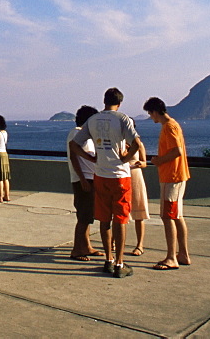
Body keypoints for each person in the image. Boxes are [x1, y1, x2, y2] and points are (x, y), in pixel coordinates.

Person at [70, 87, 141, 278]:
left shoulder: (93, 120)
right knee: (121, 218)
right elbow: (137, 144)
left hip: (100, 175)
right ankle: (119, 262)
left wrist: (92, 159)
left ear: (104, 101)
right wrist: (125, 159)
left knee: (104, 218)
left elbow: (74, 145)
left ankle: (108, 260)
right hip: (120, 176)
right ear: (119, 103)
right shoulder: (122, 119)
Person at [144, 96, 191, 270]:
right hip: (176, 176)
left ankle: (172, 257)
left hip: (172, 177)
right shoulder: (172, 125)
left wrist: (160, 160)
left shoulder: (169, 127)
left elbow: (177, 151)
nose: (151, 117)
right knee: (177, 215)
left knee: (168, 216)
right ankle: (183, 254)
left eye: (150, 113)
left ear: (155, 112)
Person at [67, 105, 102, 261]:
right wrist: (82, 179)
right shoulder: (76, 133)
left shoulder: (84, 135)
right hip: (84, 179)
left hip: (90, 177)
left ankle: (86, 246)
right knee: (83, 215)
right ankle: (77, 249)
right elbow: (74, 157)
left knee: (88, 215)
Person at [126, 123, 149, 256]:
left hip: (135, 177)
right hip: (122, 177)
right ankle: (113, 241)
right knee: (118, 212)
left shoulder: (139, 144)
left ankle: (139, 245)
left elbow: (145, 162)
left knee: (139, 213)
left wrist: (140, 163)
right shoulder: (120, 143)